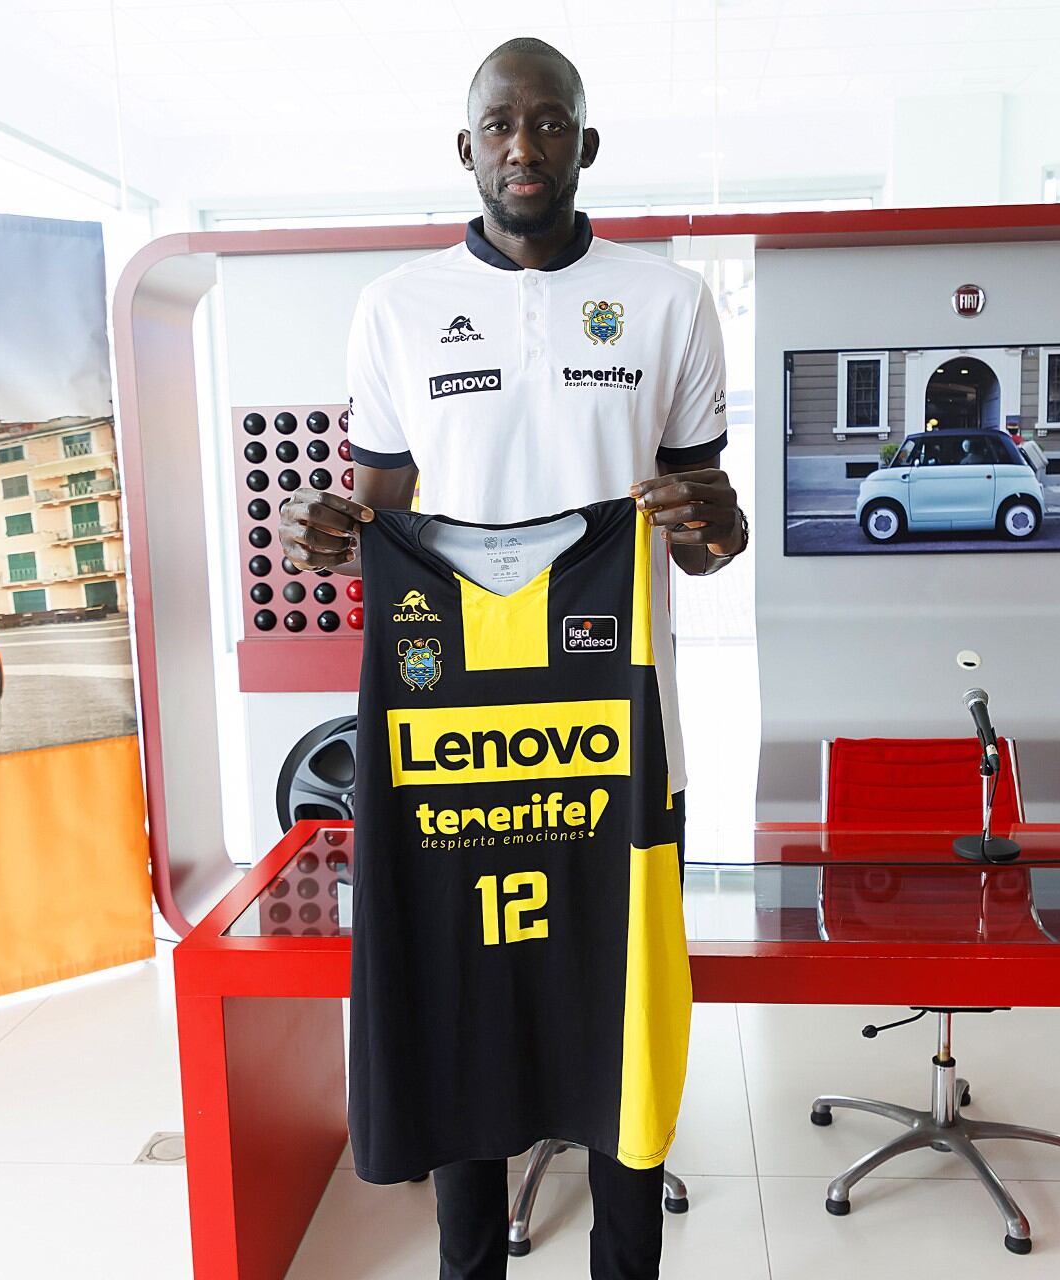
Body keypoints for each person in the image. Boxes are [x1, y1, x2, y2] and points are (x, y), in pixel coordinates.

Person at [278, 35, 747, 1280]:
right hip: (458, 742)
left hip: (621, 734)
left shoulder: (669, 300)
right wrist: (332, 536)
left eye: (548, 123)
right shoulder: (396, 308)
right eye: (500, 124)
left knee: (622, 1026)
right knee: (465, 1025)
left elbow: (708, 530)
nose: (523, 146)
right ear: (467, 146)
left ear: (585, 143)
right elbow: (379, 517)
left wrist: (717, 528)